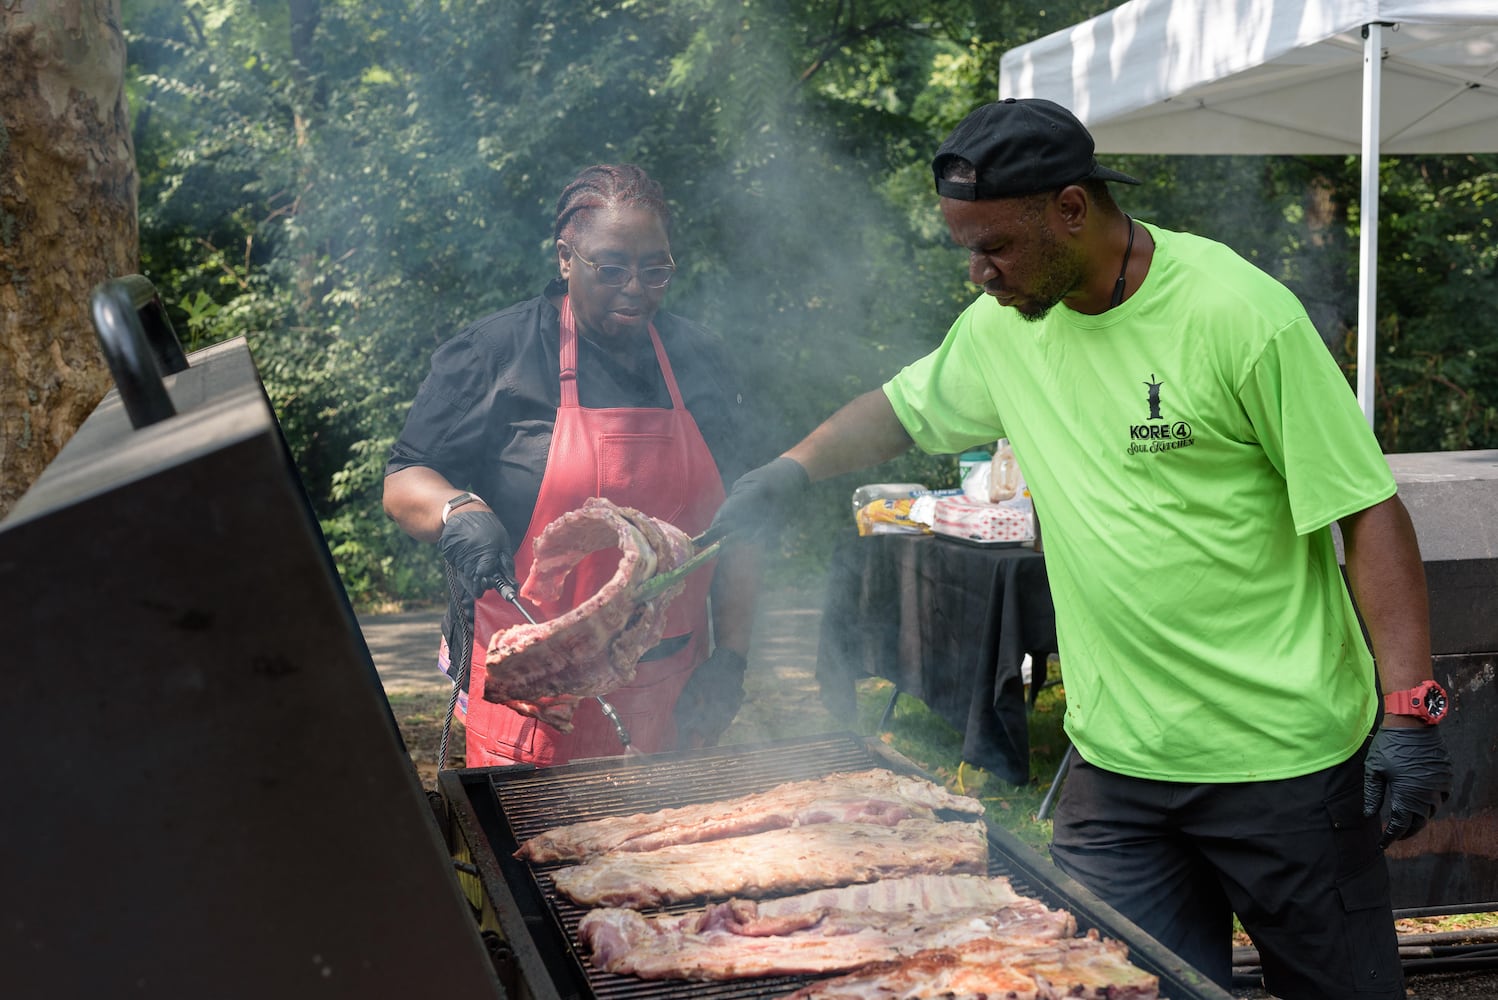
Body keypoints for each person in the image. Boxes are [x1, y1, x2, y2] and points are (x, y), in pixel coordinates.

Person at [709, 99, 1454, 999]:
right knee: (1101, 989)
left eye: (996, 247)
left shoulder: (1238, 315)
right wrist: (792, 469)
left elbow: (1367, 511)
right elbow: (900, 409)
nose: (980, 274)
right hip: (1118, 770)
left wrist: (1407, 710)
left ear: (1071, 207)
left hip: (1284, 766)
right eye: (966, 250)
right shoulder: (1003, 327)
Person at [384, 163, 758, 767]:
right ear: (565, 257)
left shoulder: (702, 359)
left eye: (655, 267)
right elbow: (405, 479)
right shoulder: (495, 354)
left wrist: (733, 659)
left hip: (670, 689)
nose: (636, 288)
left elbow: (743, 524)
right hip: (530, 693)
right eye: (611, 268)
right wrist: (456, 509)